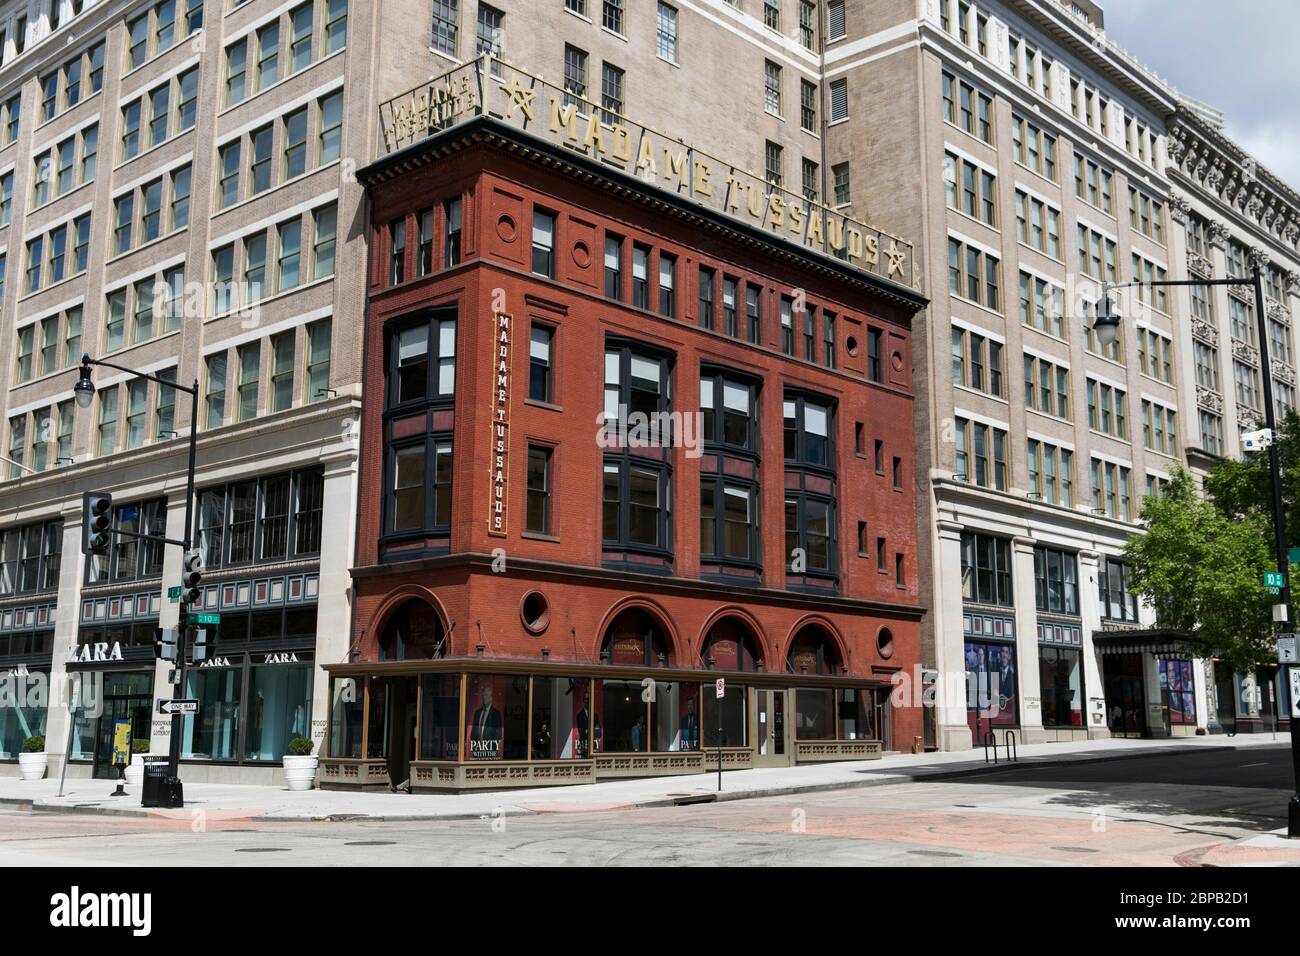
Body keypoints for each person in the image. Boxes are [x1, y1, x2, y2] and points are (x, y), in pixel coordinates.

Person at [469, 682, 503, 759]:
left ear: (491, 698)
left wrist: (489, 748)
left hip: (490, 752)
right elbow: (473, 733)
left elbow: (498, 735)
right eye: (484, 695)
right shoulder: (477, 713)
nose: (485, 697)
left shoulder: (496, 714)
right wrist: (475, 747)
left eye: (487, 695)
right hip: (477, 751)